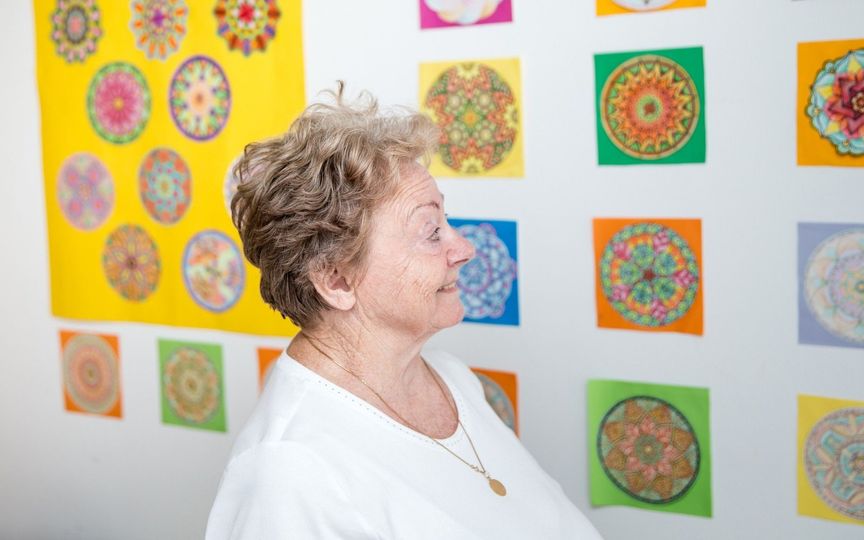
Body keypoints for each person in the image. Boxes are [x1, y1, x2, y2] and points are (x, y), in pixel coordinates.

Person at [205, 85, 602, 539]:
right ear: (336, 279)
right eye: (431, 232)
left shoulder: (452, 378)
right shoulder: (287, 473)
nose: (465, 249)